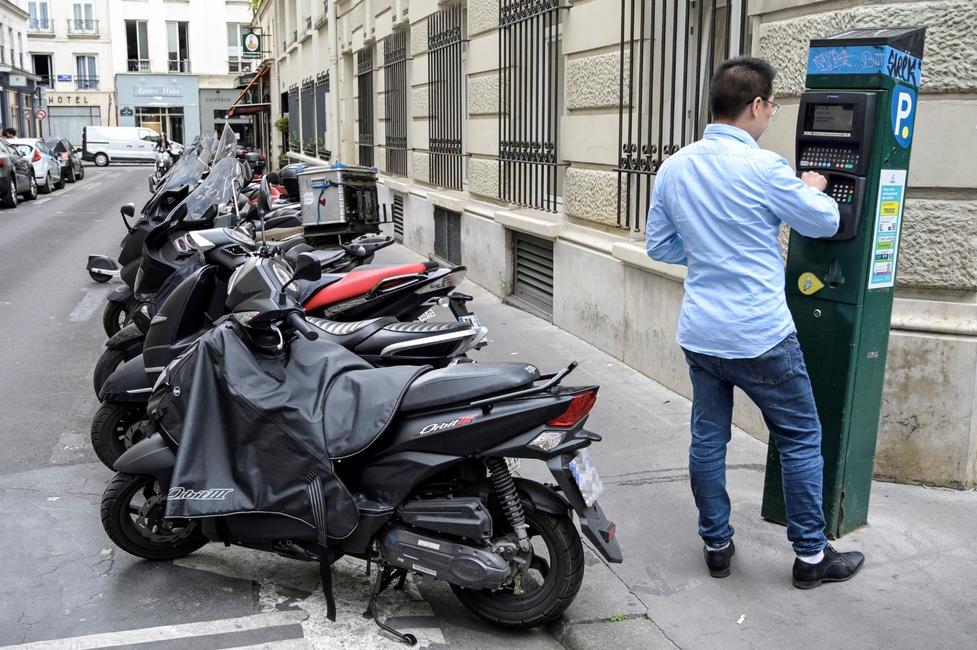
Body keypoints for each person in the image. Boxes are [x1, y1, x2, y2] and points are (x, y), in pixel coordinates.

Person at [645, 56, 864, 589]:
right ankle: (811, 558)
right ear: (758, 105)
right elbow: (827, 219)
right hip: (760, 334)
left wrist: (707, 250)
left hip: (701, 334)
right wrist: (811, 185)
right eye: (772, 107)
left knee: (707, 439)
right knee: (799, 436)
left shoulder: (675, 166)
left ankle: (717, 543)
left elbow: (659, 245)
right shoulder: (764, 169)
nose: (771, 116)